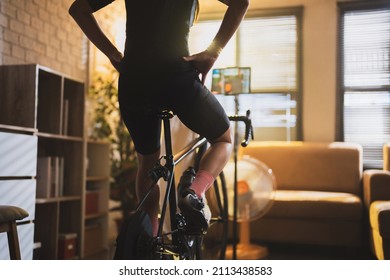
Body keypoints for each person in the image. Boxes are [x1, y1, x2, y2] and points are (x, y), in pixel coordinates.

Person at [69, 0, 249, 236]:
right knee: (223, 140)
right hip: (176, 78)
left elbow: (78, 9)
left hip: (134, 82)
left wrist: (114, 55)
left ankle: (149, 238)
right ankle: (194, 194)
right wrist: (212, 53)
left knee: (148, 162)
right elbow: (240, 3)